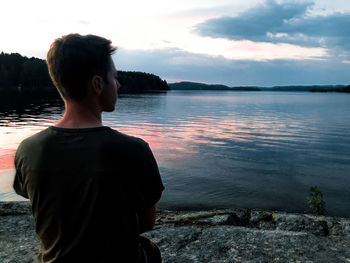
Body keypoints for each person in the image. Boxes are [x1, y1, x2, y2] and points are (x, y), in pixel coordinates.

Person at [13, 34, 164, 263]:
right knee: (149, 251)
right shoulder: (134, 150)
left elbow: (42, 208)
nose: (119, 84)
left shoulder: (28, 149)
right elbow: (146, 222)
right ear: (97, 84)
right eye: (114, 77)